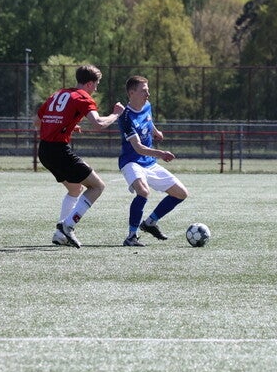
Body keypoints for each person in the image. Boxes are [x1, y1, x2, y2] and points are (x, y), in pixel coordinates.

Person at [35, 64, 125, 248]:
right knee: (97, 186)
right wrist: (115, 115)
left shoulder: (58, 94)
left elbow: (38, 121)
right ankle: (67, 225)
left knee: (75, 189)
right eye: (96, 85)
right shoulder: (83, 97)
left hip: (44, 150)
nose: (96, 89)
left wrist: (66, 125)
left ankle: (60, 235)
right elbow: (98, 124)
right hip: (59, 151)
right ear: (90, 84)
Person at [117, 75, 189, 247]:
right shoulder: (125, 118)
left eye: (148, 90)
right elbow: (138, 148)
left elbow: (148, 120)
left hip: (149, 162)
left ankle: (150, 223)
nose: (148, 94)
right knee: (143, 192)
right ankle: (131, 236)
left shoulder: (147, 105)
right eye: (144, 91)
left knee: (181, 193)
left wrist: (155, 131)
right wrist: (161, 153)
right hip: (131, 162)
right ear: (131, 93)